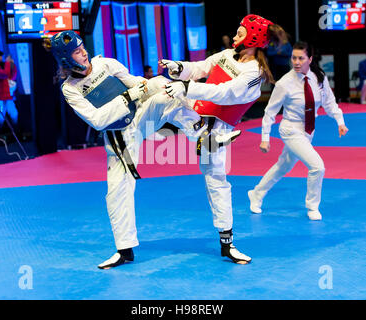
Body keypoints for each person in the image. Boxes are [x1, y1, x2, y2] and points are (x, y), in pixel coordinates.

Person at [46, 30, 234, 269]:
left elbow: (135, 83)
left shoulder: (106, 63)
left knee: (163, 86)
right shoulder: (70, 88)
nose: (83, 52)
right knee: (117, 191)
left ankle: (203, 136)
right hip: (119, 137)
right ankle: (124, 250)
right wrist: (128, 96)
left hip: (142, 116)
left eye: (82, 46)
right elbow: (97, 119)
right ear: (66, 58)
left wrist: (149, 86)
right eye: (76, 51)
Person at [159, 14, 288, 264]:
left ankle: (227, 243)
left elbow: (224, 93)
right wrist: (179, 68)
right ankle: (132, 117)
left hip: (217, 125)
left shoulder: (254, 73)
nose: (236, 36)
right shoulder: (227, 54)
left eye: (241, 33)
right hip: (196, 112)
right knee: (159, 88)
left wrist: (186, 87)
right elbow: (201, 68)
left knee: (216, 182)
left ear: (253, 39)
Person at [248, 41, 349, 221]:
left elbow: (329, 102)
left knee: (283, 166)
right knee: (317, 167)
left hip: (308, 131)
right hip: (290, 130)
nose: (296, 62)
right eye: (293, 58)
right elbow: (269, 112)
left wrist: (340, 121)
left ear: (309, 59)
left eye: (301, 58)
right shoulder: (284, 83)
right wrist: (265, 138)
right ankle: (312, 207)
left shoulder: (319, 77)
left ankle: (256, 193)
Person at [0, 50, 18, 128]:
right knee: (1, 116)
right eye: (0, 56)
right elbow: (4, 75)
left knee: (14, 113)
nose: (2, 58)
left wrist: (12, 64)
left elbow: (13, 77)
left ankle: (17, 130)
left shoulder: (3, 65)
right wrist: (8, 63)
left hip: (7, 95)